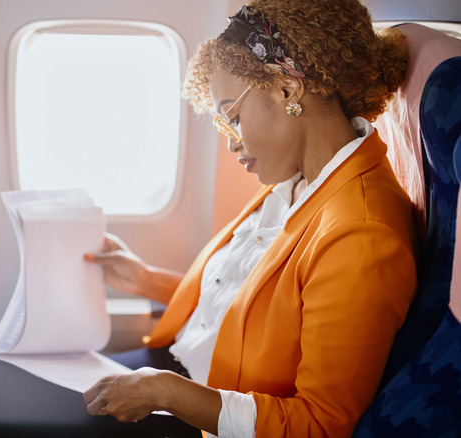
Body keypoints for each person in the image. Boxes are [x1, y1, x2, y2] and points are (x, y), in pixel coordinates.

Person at [83, 0, 418, 436]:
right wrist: (145, 280)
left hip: (209, 409)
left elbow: (320, 424)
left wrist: (165, 392)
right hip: (177, 367)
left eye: (233, 117)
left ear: (286, 88)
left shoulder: (362, 235)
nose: (232, 144)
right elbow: (248, 307)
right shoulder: (298, 181)